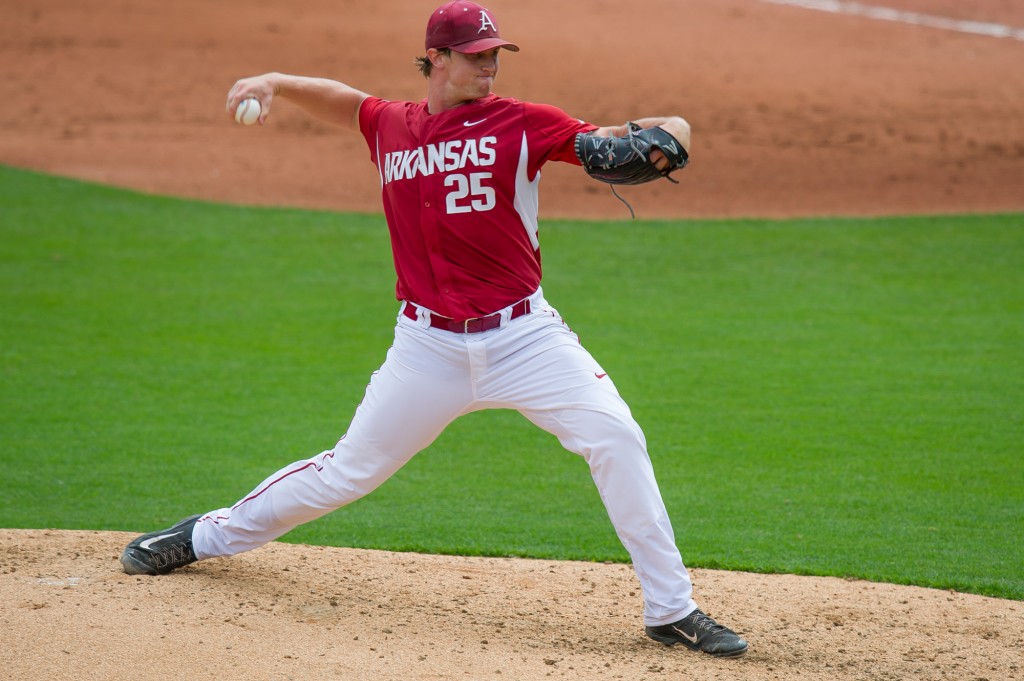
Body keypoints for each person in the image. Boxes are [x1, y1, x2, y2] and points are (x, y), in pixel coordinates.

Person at [120, 0, 747, 658]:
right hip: (427, 347)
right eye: (476, 56)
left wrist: (672, 130)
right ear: (438, 58)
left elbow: (614, 139)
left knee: (616, 434)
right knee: (344, 474)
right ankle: (202, 536)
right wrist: (275, 80)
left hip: (524, 338)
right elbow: (345, 101)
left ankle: (671, 608)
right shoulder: (392, 125)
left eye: (495, 55)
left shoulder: (523, 123)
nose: (490, 67)